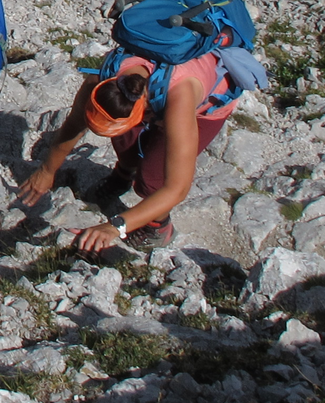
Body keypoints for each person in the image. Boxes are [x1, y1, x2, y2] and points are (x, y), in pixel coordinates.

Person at [15, 47, 240, 251]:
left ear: (144, 111)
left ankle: (158, 228)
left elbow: (176, 188)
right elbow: (75, 123)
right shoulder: (104, 78)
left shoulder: (180, 98)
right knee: (125, 140)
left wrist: (115, 226)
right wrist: (47, 170)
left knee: (153, 180)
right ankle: (123, 175)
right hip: (157, 98)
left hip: (204, 107)